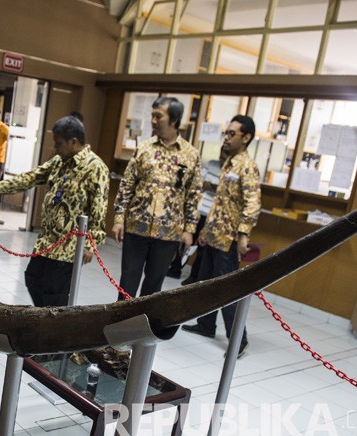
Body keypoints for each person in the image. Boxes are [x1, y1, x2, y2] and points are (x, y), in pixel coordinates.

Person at [0, 116, 109, 307]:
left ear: (73, 142)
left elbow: (99, 211)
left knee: (54, 292)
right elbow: (30, 178)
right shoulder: (59, 161)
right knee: (33, 278)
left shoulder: (96, 168)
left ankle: (53, 330)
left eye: (59, 144)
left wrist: (91, 245)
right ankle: (46, 322)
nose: (55, 149)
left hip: (69, 245)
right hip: (47, 240)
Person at [182, 115, 261, 357]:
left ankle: (239, 339)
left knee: (227, 291)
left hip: (229, 240)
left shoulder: (247, 166)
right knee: (206, 285)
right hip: (214, 235)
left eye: (231, 134)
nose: (225, 138)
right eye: (225, 133)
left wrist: (244, 235)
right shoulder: (229, 163)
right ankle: (206, 325)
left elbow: (252, 204)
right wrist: (204, 231)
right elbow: (220, 202)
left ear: (245, 138)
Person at [112, 96, 203, 300]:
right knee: (128, 280)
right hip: (137, 228)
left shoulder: (190, 154)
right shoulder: (144, 148)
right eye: (152, 115)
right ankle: (119, 325)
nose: (153, 120)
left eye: (158, 116)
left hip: (168, 233)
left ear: (174, 120)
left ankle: (142, 326)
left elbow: (194, 194)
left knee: (153, 285)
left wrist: (189, 230)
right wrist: (119, 219)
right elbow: (127, 184)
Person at [178, 153, 225, 286]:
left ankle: (194, 277)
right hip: (198, 209)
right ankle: (176, 268)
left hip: (212, 214)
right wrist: (207, 185)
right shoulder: (211, 164)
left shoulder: (231, 170)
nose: (223, 155)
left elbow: (225, 192)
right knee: (185, 242)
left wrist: (213, 186)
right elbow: (199, 182)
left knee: (201, 249)